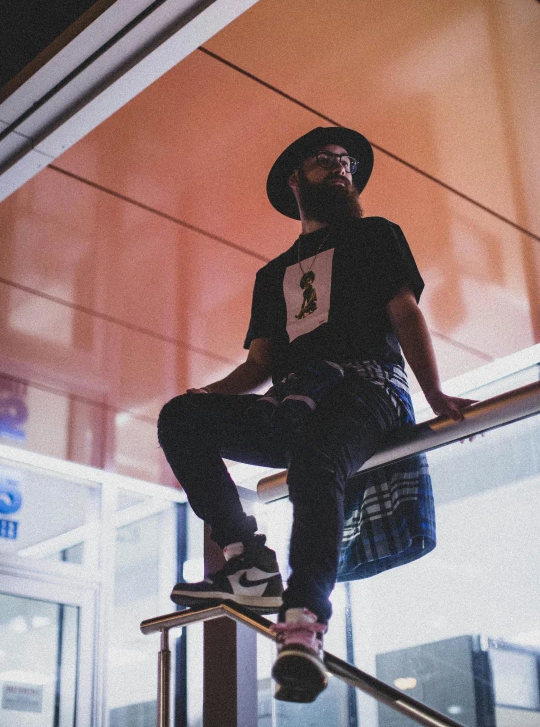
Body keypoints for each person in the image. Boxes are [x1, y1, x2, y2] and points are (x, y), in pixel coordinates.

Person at [157, 126, 475, 703]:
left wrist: (433, 393)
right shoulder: (270, 275)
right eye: (326, 160)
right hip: (294, 401)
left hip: (366, 388)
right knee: (180, 416)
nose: (342, 167)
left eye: (347, 161)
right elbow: (261, 364)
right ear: (294, 180)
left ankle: (303, 623)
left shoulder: (377, 235)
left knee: (315, 459)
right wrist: (209, 398)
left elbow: (405, 312)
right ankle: (247, 561)